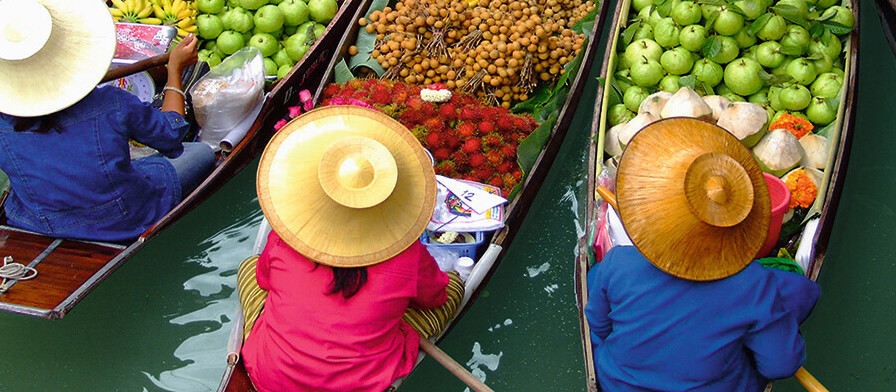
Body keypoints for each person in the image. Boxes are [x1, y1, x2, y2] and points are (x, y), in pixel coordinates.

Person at [239, 106, 464, 392]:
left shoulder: (285, 241)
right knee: (454, 287)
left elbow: (263, 280)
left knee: (250, 267)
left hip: (270, 378)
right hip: (360, 385)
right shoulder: (407, 256)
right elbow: (435, 297)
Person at [585, 118, 821, 392]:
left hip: (617, 384)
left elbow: (598, 327)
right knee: (797, 291)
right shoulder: (754, 283)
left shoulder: (618, 263)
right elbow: (780, 366)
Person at [0, 0, 215, 242]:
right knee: (202, 152)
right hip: (122, 218)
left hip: (38, 219)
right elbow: (171, 136)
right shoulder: (111, 103)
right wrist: (174, 71)